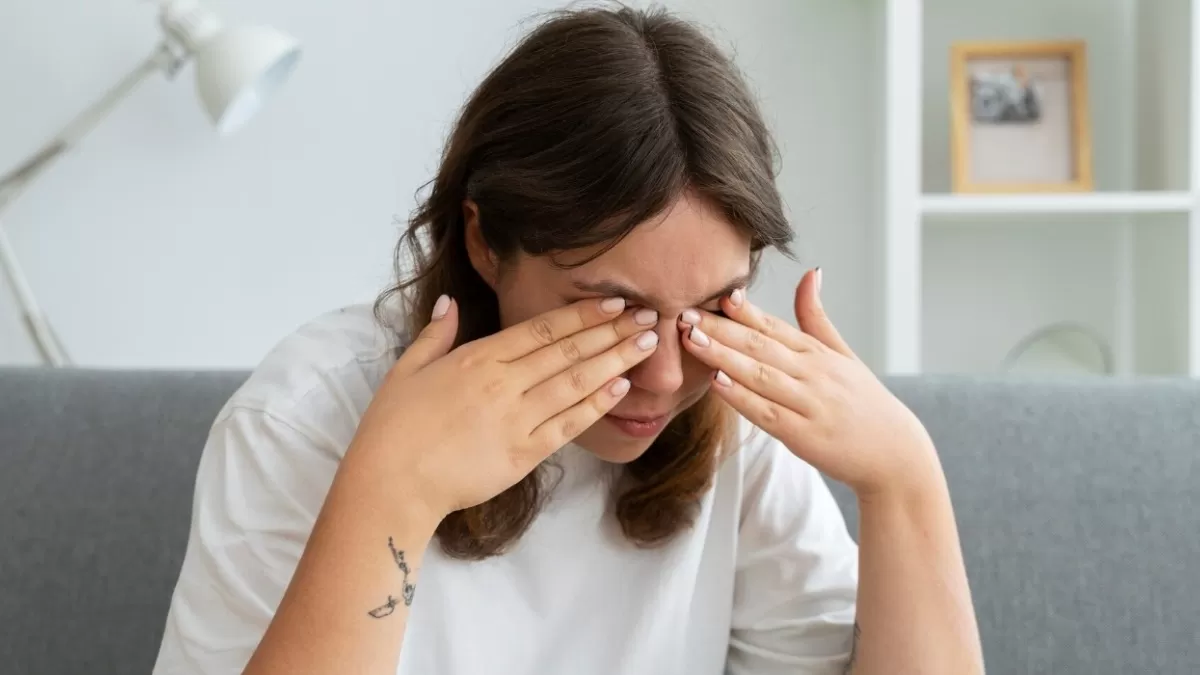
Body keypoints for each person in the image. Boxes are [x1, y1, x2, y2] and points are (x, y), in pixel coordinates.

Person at [152, 6, 983, 675]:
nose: (664, 373)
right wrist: (389, 494)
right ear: (484, 244)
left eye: (712, 304)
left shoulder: (736, 424)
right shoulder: (297, 424)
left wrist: (906, 479)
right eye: (614, 308)